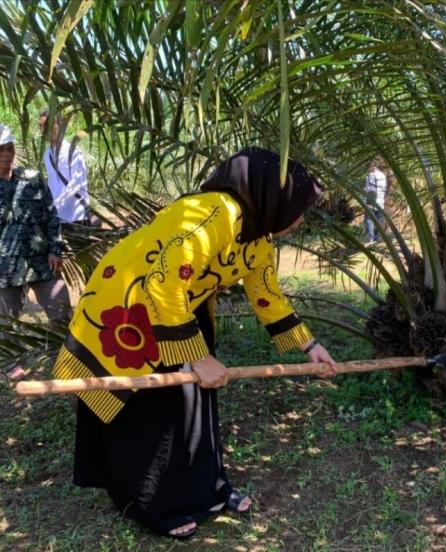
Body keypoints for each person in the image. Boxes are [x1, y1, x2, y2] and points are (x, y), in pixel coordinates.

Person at [51, 146, 337, 540]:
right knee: (151, 413)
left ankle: (210, 491)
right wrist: (199, 358)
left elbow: (267, 294)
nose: (300, 218)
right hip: (128, 306)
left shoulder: (258, 238)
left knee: (194, 406)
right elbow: (163, 283)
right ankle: (151, 504)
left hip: (178, 311)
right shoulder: (214, 213)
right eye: (298, 207)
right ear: (273, 195)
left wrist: (310, 347)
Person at [0, 123, 70, 381]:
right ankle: (11, 364)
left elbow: (51, 215)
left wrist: (56, 249)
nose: (6, 154)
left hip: (41, 262)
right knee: (5, 321)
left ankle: (65, 354)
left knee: (61, 308)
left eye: (9, 148)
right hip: (5, 269)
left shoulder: (31, 179)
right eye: (1, 150)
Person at [38, 111, 91, 226]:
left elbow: (76, 184)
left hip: (76, 216)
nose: (45, 130)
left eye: (49, 125)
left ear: (59, 125)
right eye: (41, 126)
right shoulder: (47, 155)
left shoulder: (73, 152)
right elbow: (52, 184)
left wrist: (54, 206)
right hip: (57, 218)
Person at [364, 160, 387, 244]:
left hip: (372, 200)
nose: (368, 170)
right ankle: (378, 238)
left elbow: (372, 190)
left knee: (369, 219)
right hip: (381, 201)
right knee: (379, 219)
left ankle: (371, 239)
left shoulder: (371, 175)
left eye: (368, 168)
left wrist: (369, 202)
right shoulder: (383, 175)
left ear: (372, 167)